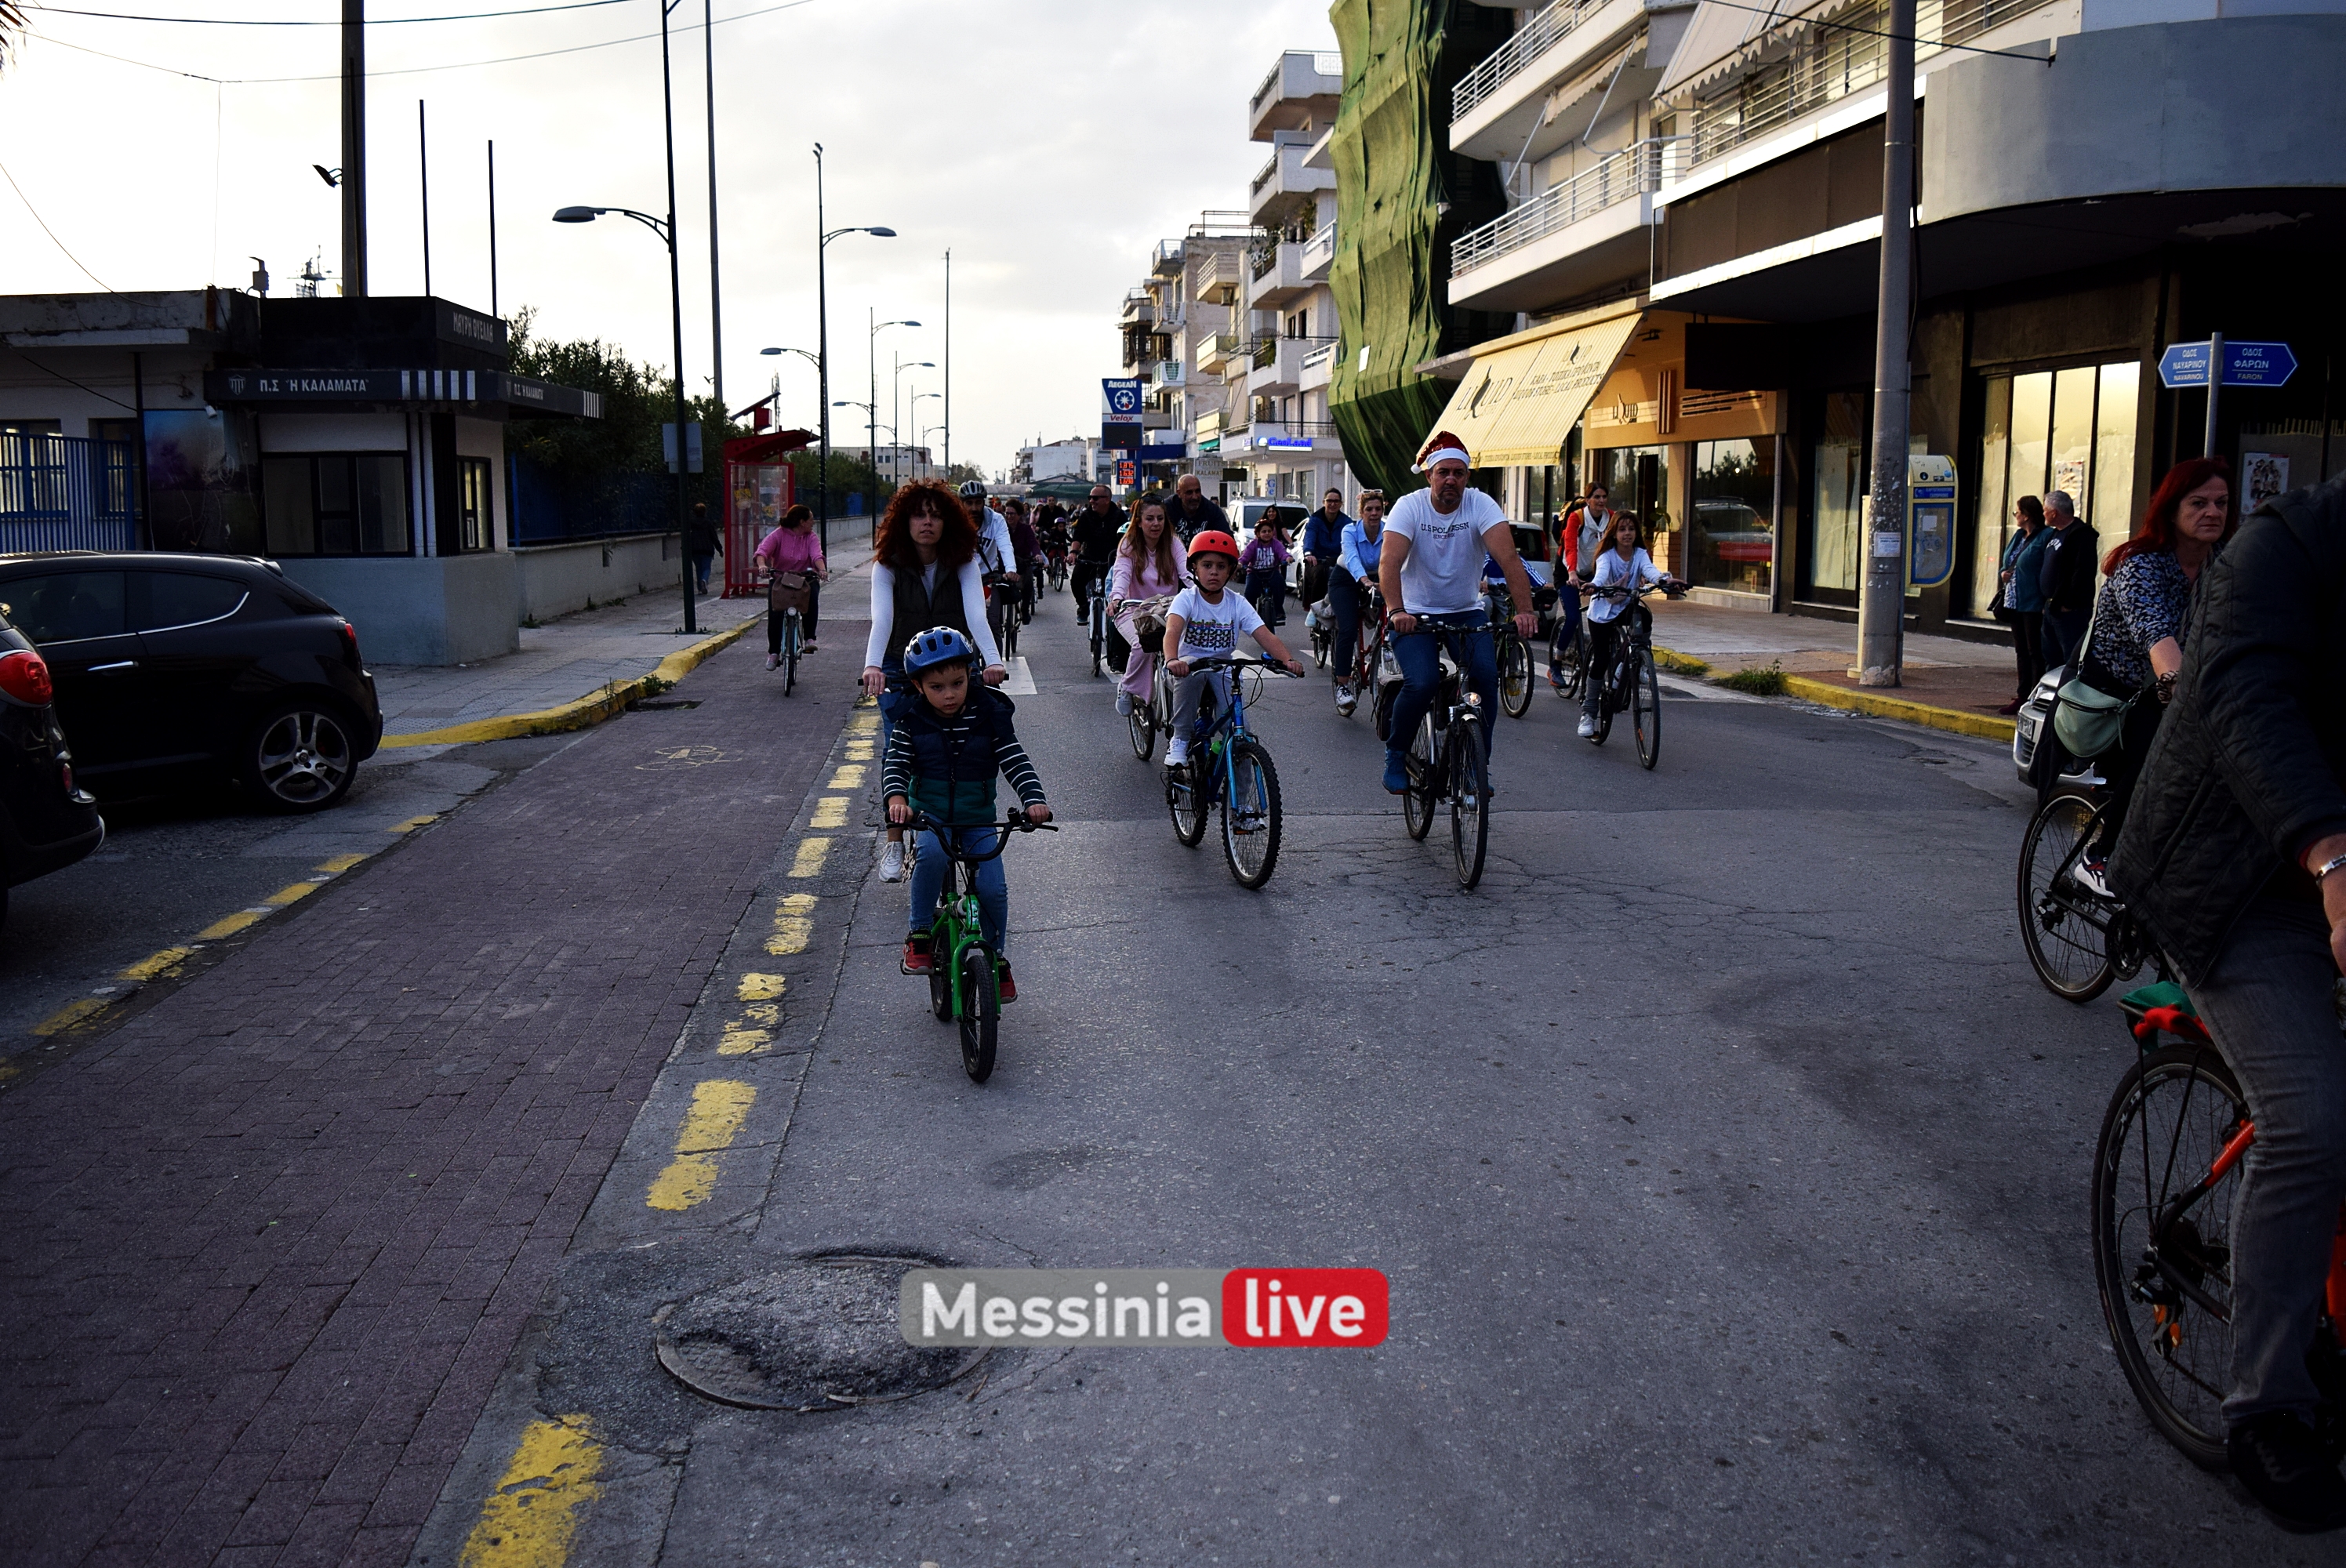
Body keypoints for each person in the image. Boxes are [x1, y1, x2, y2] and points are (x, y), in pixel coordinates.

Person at [2107, 470, 2346, 1536]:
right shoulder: (2281, 552)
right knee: (2314, 1119)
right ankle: (2267, 1405)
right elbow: (2245, 704)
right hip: (2238, 881)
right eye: (2193, 503)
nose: (2208, 512)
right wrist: (2332, 858)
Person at [2067, 458, 2234, 895]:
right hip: (2118, 697)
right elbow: (2157, 637)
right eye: (2198, 503)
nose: (2212, 512)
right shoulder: (2141, 565)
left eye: (2221, 503)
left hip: (2183, 687)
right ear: (2171, 509)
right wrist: (2182, 691)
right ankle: (2099, 856)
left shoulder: (2224, 564)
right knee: (2161, 755)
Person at [883, 626, 1051, 1002]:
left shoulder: (989, 714)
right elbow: (896, 765)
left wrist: (1033, 800)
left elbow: (1015, 760)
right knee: (931, 855)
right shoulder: (910, 719)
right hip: (931, 816)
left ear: (970, 674)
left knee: (993, 889)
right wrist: (897, 800)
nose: (949, 695)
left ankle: (996, 956)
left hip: (978, 817)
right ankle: (920, 933)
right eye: (937, 687)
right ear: (918, 686)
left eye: (957, 684)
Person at [1375, 430, 1539, 794]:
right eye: (1443, 472)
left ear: (1467, 477)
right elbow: (1389, 561)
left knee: (1485, 679)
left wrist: (1525, 611)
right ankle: (1396, 754)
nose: (1451, 479)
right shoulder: (1409, 507)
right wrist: (1397, 610)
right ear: (1429, 475)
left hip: (1465, 611)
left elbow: (1509, 559)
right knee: (1422, 683)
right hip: (1414, 614)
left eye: (1459, 473)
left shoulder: (1480, 504)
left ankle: (1475, 767)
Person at [861, 481, 1007, 884]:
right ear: (904, 522)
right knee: (897, 749)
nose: (927, 523)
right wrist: (872, 666)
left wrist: (993, 661)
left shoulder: (963, 562)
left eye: (936, 515)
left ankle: (964, 820)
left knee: (964, 741)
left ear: (948, 523)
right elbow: (882, 619)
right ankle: (895, 839)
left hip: (953, 662)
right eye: (918, 515)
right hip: (899, 666)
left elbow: (976, 615)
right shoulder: (887, 565)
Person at [1160, 529, 1305, 768]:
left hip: (1222, 668)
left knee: (1240, 733)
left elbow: (1264, 635)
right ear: (1194, 568)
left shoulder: (1236, 602)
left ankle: (1242, 783)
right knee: (1191, 674)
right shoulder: (1187, 598)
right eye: (1207, 565)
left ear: (1230, 571)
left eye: (1221, 566)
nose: (1214, 572)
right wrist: (1172, 660)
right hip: (1188, 667)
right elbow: (1172, 631)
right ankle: (1181, 738)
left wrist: (1288, 660)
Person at [1577, 512, 1680, 738]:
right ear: (1614, 534)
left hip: (1625, 607)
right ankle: (1589, 714)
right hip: (1602, 612)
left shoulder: (1640, 554)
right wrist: (1593, 585)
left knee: (1644, 616)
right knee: (1601, 659)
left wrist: (1664, 581)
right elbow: (1601, 575)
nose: (1627, 534)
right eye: (1622, 529)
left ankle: (1637, 662)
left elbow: (1651, 571)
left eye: (1631, 529)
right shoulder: (1606, 556)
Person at [1108, 495, 1189, 718]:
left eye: (1160, 519)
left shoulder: (1173, 543)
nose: (1156, 524)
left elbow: (1187, 572)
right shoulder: (1129, 544)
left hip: (1168, 610)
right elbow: (1121, 574)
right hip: (1134, 610)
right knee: (1143, 644)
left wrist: (1203, 592)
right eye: (1150, 519)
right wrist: (1116, 598)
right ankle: (1127, 687)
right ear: (1139, 521)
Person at [1330, 489, 1385, 715]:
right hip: (1346, 580)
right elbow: (1352, 558)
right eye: (1369, 509)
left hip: (1378, 580)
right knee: (1349, 629)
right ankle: (1343, 686)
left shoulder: (1389, 531)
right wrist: (1365, 581)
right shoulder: (1350, 530)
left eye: (1378, 509)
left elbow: (1398, 559)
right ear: (1361, 512)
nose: (1374, 513)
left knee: (1394, 623)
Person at [1996, 495, 2050, 713]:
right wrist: (2003, 573)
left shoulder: (2045, 536)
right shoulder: (2019, 536)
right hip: (2014, 601)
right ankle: (2022, 694)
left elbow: (2047, 567)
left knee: (2035, 650)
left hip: (2034, 602)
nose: (2016, 516)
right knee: (2021, 651)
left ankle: (2036, 695)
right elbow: (2007, 562)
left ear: (2027, 515)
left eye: (2017, 512)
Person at [754, 503, 827, 664]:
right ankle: (774, 653)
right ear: (802, 522)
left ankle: (809, 638)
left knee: (812, 596)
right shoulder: (778, 534)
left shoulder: (811, 537)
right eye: (811, 519)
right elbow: (762, 552)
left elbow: (817, 555)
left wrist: (822, 570)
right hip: (781, 579)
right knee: (775, 612)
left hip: (804, 579)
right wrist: (762, 566)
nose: (813, 522)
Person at [2036, 489, 2097, 671]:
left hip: (2069, 610)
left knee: (2070, 657)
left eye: (2045, 510)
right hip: (2051, 605)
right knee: (2050, 656)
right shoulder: (2054, 534)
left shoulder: (2081, 535)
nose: (2043, 514)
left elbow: (2083, 572)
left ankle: (2067, 688)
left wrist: (2068, 604)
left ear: (2054, 513)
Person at [960, 478, 1019, 650]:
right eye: (969, 503)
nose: (974, 508)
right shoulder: (954, 521)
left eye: (978, 503)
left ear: (984, 503)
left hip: (988, 579)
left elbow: (1005, 546)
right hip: (961, 580)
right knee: (957, 625)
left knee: (993, 624)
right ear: (962, 504)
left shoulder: (996, 520)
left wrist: (1011, 569)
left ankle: (995, 664)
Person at [1070, 485, 1126, 622]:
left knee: (1119, 586)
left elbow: (1127, 538)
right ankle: (1083, 607)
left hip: (1112, 559)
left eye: (1095, 498)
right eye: (1090, 498)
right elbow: (1078, 536)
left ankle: (1116, 614)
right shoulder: (1086, 515)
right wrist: (1073, 552)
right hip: (1089, 557)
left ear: (1107, 499)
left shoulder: (1120, 515)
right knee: (1076, 580)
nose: (1091, 501)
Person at [1299, 487, 1349, 610]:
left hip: (1339, 562)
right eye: (1329, 501)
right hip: (1317, 562)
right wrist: (1309, 553)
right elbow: (1310, 536)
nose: (1333, 504)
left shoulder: (1346, 522)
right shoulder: (1315, 520)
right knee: (1320, 574)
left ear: (1341, 504)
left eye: (1336, 501)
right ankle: (1316, 610)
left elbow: (1350, 541)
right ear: (1324, 502)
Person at [1240, 520, 1291, 626]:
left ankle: (1279, 611)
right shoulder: (1253, 545)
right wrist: (1240, 563)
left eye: (1269, 531)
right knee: (1249, 592)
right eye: (1264, 532)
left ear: (1273, 532)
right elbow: (1245, 557)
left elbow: (1283, 553)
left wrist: (1287, 558)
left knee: (1280, 584)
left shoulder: (1276, 544)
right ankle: (1250, 615)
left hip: (1272, 572)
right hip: (1255, 573)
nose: (1267, 533)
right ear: (1258, 534)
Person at [1562, 484, 1613, 579]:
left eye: (1604, 497)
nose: (1602, 500)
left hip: (1592, 570)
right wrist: (1572, 572)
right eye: (1597, 497)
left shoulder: (1611, 516)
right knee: (1569, 589)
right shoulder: (1577, 517)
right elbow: (1571, 547)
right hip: (1568, 569)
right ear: (1587, 500)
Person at [1004, 497, 1043, 623]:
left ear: (1019, 515)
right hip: (1005, 562)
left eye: (1012, 514)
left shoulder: (1026, 529)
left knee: (1028, 583)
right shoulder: (1002, 528)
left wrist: (1037, 555)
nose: (1009, 516)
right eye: (1007, 513)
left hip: (1023, 561)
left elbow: (1033, 543)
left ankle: (1025, 610)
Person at [1166, 473, 1230, 543]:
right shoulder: (1167, 508)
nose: (1195, 497)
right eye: (1189, 493)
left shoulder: (1212, 510)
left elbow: (1227, 539)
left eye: (1197, 491)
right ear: (1179, 493)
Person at [687, 501, 722, 597]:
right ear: (705, 512)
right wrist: (720, 549)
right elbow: (714, 538)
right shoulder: (708, 523)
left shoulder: (691, 523)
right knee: (706, 568)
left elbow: (688, 537)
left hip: (695, 549)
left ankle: (700, 588)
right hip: (707, 549)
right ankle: (704, 580)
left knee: (698, 568)